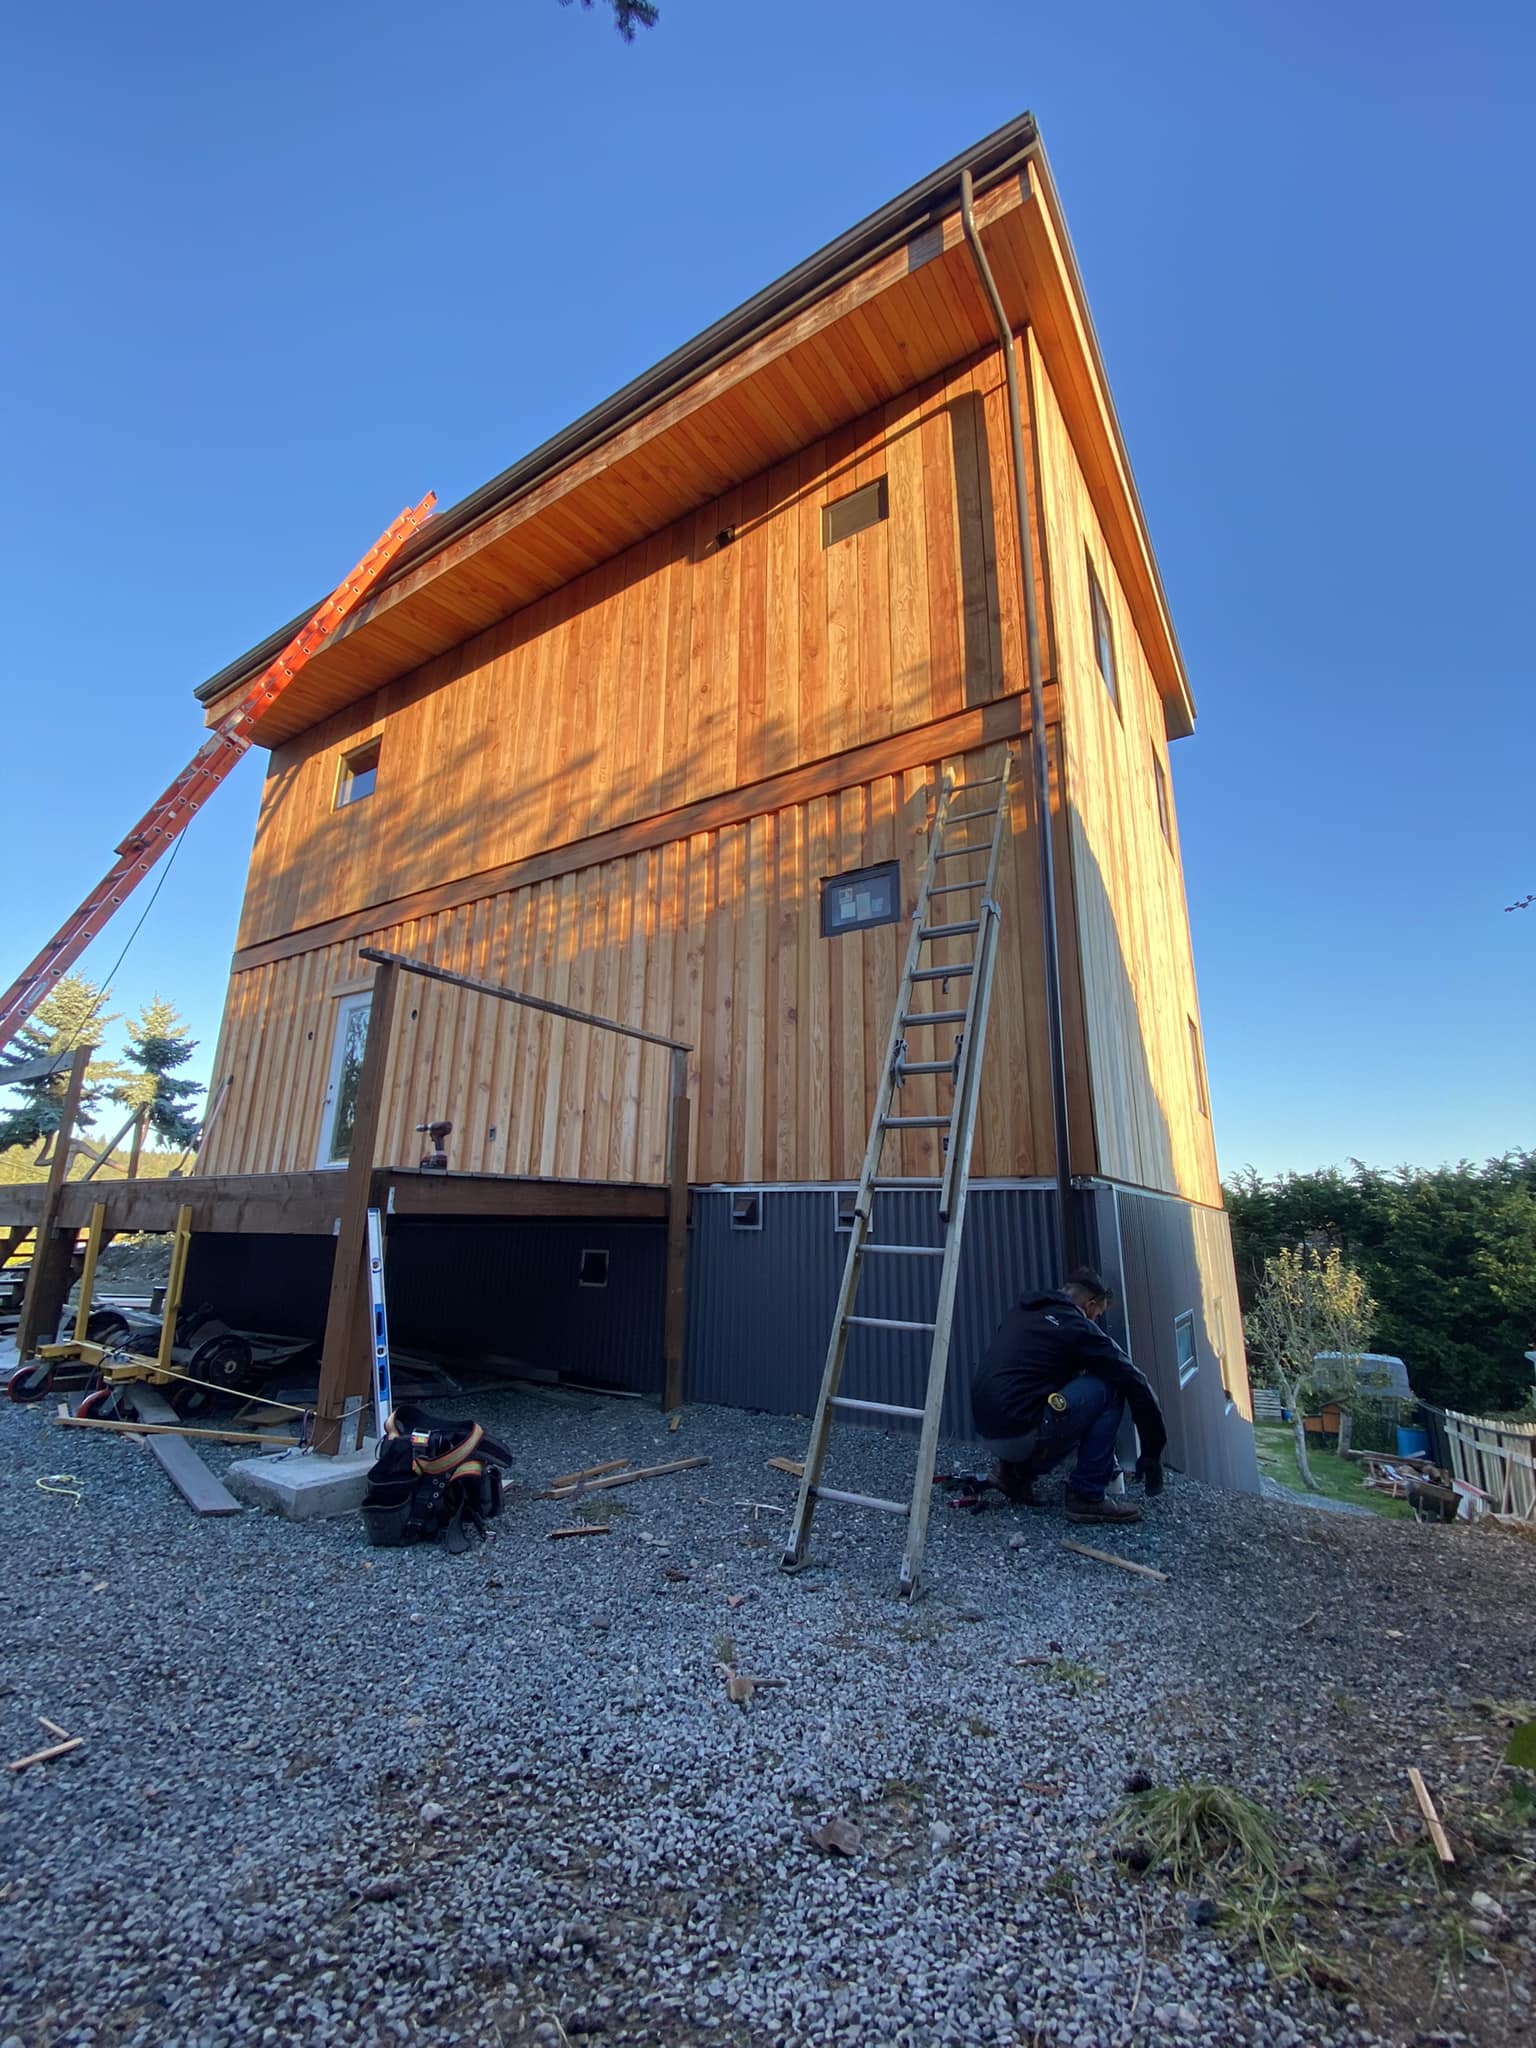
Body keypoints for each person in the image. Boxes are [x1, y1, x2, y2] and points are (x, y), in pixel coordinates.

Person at [970, 1266, 1167, 1525]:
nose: (1095, 1320)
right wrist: (1152, 1452)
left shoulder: (1024, 1311)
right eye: (1097, 1314)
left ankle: (1011, 1474)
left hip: (985, 1429)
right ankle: (1086, 1496)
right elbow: (1133, 1379)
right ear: (1090, 1303)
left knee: (1043, 1389)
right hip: (1020, 1435)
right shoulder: (1076, 1325)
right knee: (1111, 1387)